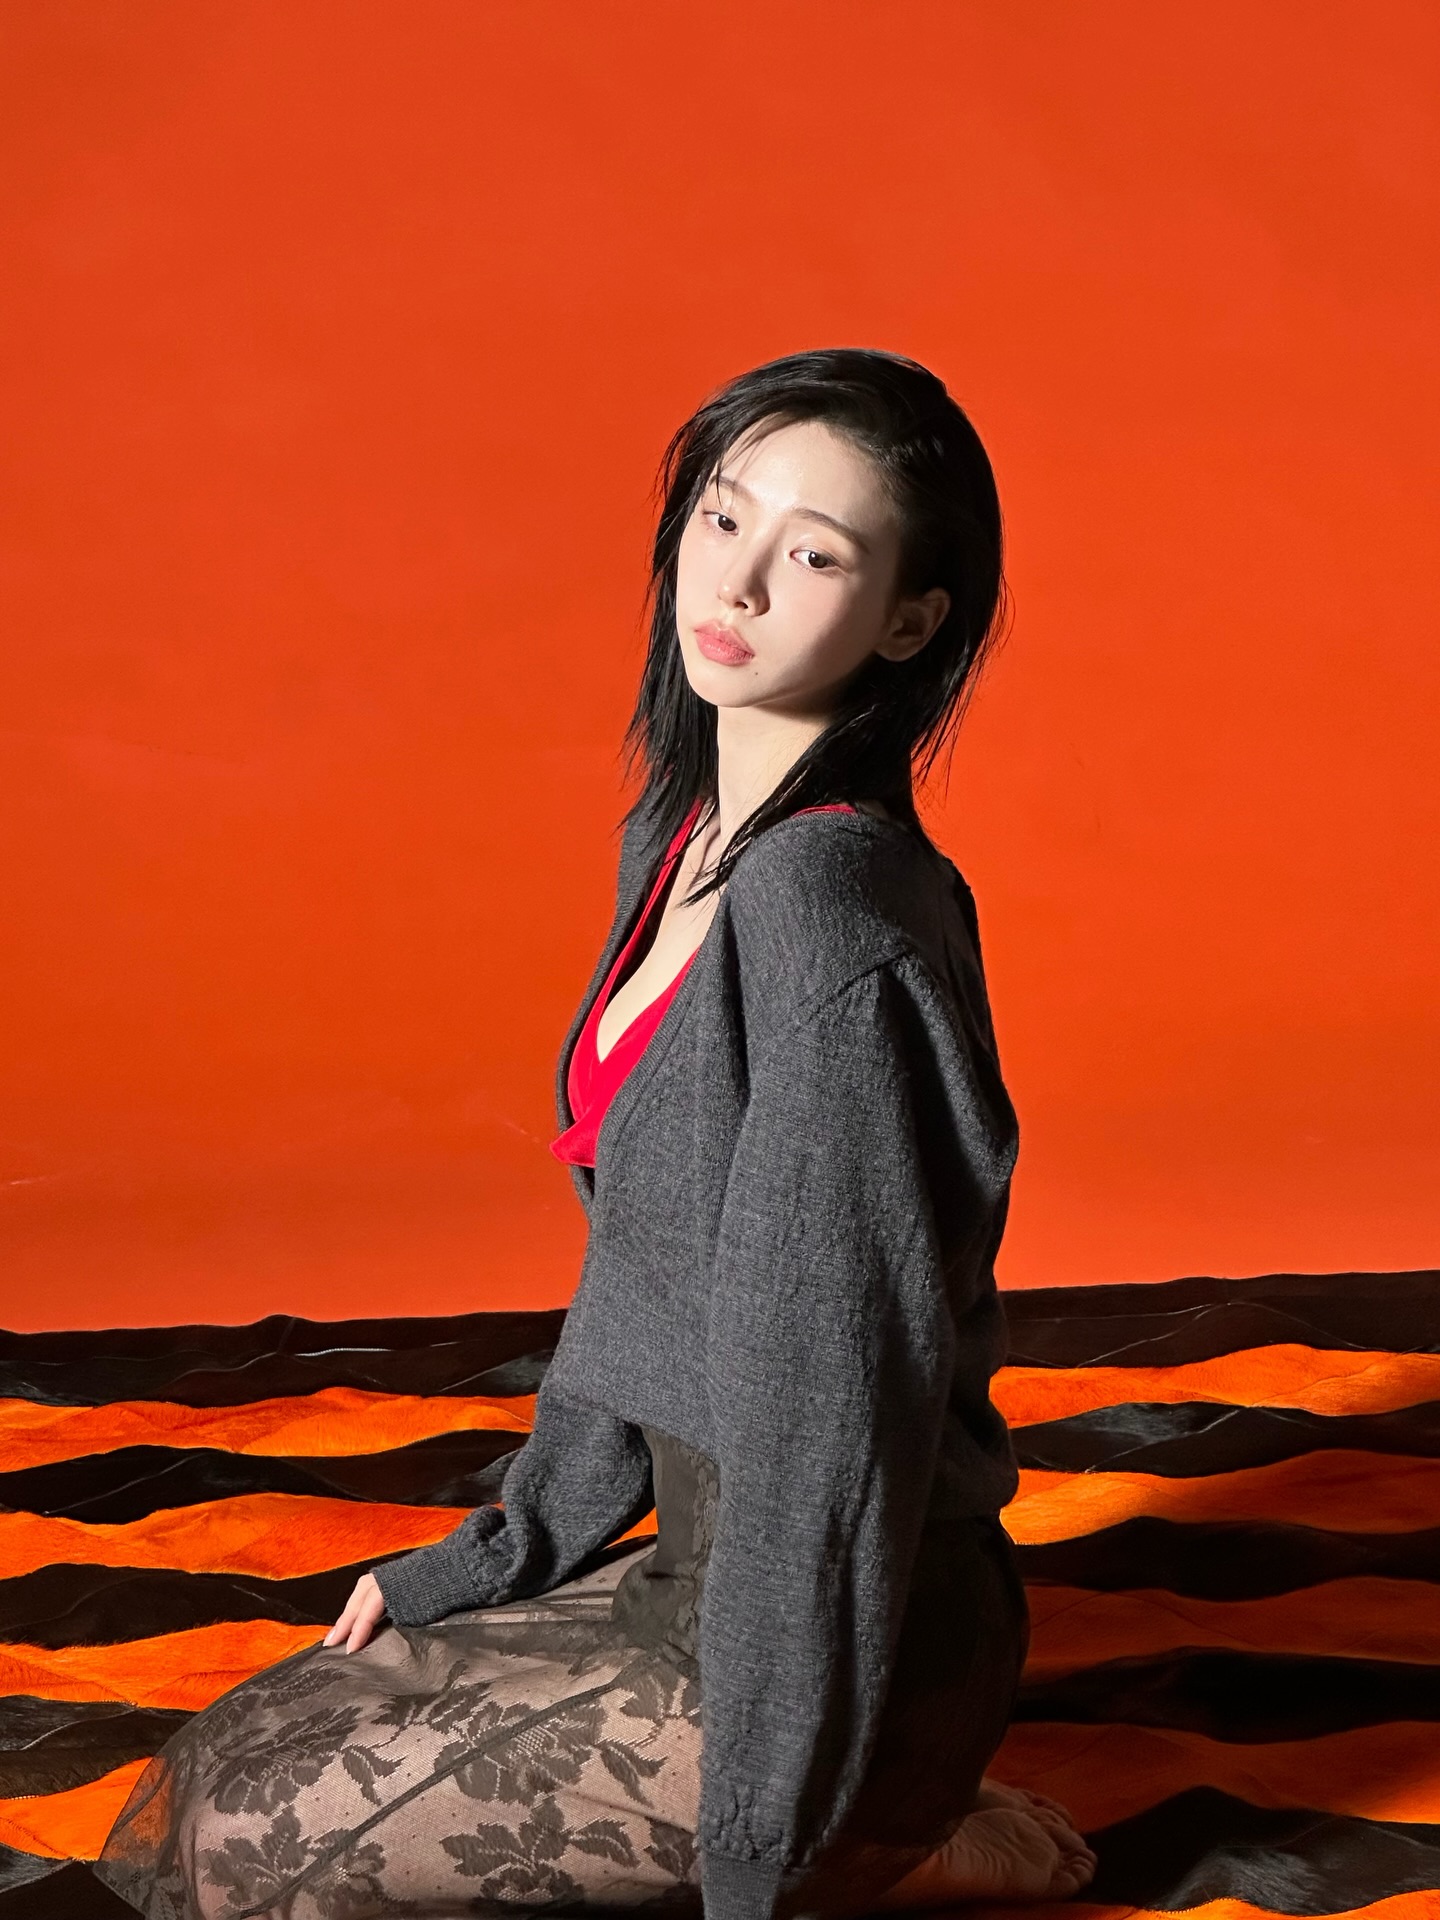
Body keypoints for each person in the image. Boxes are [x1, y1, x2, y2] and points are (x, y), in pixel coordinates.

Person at [92, 348, 1096, 1919]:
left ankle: (899, 1832)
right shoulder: (684, 839)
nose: (738, 583)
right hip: (701, 1566)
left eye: (815, 557)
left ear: (910, 622)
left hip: (847, 1632)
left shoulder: (826, 922)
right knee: (234, 1755)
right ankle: (889, 1826)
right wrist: (501, 1554)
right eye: (724, 518)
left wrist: (772, 1860)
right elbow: (646, 1281)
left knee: (242, 1855)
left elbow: (834, 1421)